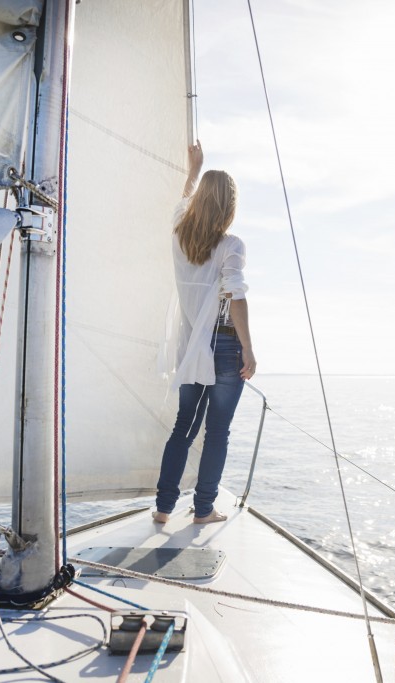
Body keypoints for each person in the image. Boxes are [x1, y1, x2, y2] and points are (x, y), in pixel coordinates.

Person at [154, 141, 256, 525]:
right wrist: (249, 348)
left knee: (184, 426)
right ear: (229, 207)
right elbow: (237, 296)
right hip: (225, 344)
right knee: (217, 432)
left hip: (190, 345)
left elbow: (183, 203)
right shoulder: (232, 245)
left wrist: (194, 171)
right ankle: (203, 510)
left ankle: (163, 509)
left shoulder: (180, 234)